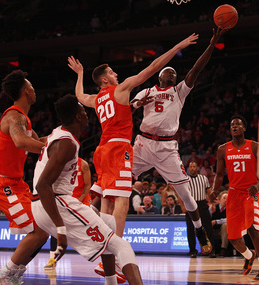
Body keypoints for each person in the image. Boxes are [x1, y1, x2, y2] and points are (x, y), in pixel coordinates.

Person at [68, 33, 199, 280]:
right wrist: (178, 45)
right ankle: (118, 256)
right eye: (113, 72)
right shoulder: (121, 88)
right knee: (122, 202)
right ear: (106, 78)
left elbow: (79, 96)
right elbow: (153, 67)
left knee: (107, 201)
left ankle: (106, 253)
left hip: (101, 151)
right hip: (118, 148)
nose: (117, 74)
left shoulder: (96, 99)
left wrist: (79, 74)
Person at [131, 28, 226, 255]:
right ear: (160, 76)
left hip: (166, 148)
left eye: (175, 71)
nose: (173, 73)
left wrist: (212, 44)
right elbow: (128, 107)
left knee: (187, 196)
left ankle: (199, 230)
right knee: (119, 179)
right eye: (169, 71)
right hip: (143, 144)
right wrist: (138, 103)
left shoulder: (179, 91)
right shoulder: (147, 90)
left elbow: (196, 68)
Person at [31, 94, 143, 285]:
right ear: (77, 117)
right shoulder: (66, 143)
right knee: (122, 246)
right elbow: (43, 185)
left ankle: (110, 281)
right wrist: (61, 228)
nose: (87, 114)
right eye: (84, 111)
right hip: (56, 203)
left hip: (47, 204)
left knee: (111, 226)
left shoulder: (58, 133)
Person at [0, 70, 49, 284]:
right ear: (26, 91)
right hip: (2, 183)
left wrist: (64, 135)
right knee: (37, 231)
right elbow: (21, 142)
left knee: (43, 229)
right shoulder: (14, 116)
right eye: (32, 87)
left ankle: (13, 273)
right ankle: (3, 275)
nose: (34, 91)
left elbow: (40, 141)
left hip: (15, 183)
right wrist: (49, 149)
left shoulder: (25, 120)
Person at [210, 114, 259, 279]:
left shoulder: (254, 146)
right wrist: (214, 190)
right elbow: (219, 174)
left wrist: (258, 185)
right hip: (233, 193)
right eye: (232, 125)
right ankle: (249, 256)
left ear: (244, 128)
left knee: (253, 227)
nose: (235, 127)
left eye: (238, 125)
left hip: (252, 193)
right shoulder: (223, 149)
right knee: (233, 237)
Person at [44, 157, 92, 270]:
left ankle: (103, 254)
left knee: (91, 226)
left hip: (81, 199)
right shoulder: (60, 162)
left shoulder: (83, 164)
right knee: (56, 228)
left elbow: (88, 185)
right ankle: (52, 259)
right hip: (65, 199)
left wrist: (79, 200)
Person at [185, 161, 214, 258]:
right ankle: (192, 250)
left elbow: (209, 191)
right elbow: (182, 194)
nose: (192, 168)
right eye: (191, 167)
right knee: (190, 229)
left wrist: (212, 203)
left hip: (202, 204)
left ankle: (211, 250)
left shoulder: (203, 178)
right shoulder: (186, 179)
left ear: (197, 168)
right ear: (189, 169)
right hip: (190, 205)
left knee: (207, 227)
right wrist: (182, 205)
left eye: (194, 166)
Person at [210, 191, 228, 257]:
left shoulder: (230, 209)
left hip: (224, 230)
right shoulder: (213, 208)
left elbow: (228, 220)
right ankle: (207, 249)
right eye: (224, 198)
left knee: (225, 225)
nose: (226, 200)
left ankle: (223, 249)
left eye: (228, 199)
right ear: (220, 199)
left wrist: (216, 221)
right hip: (212, 228)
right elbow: (207, 218)